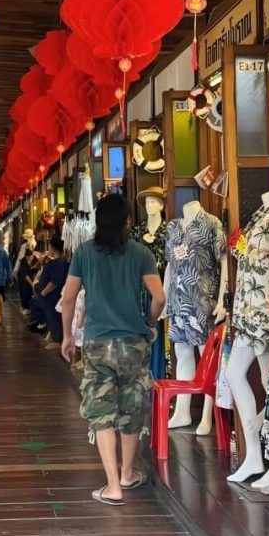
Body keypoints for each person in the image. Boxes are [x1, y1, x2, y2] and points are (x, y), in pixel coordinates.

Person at [61, 194, 165, 505]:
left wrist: (67, 336)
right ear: (127, 221)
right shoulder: (141, 253)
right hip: (133, 342)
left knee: (101, 411)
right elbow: (159, 298)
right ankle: (127, 474)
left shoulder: (83, 253)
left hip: (97, 343)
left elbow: (68, 299)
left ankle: (112, 486)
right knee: (131, 407)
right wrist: (149, 321)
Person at [38, 239, 69, 350]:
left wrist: (44, 292)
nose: (48, 250)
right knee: (51, 316)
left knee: (54, 316)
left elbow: (55, 281)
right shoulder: (56, 261)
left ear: (54, 249)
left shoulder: (59, 262)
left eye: (50, 247)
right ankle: (55, 338)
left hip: (53, 296)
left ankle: (58, 341)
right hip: (49, 296)